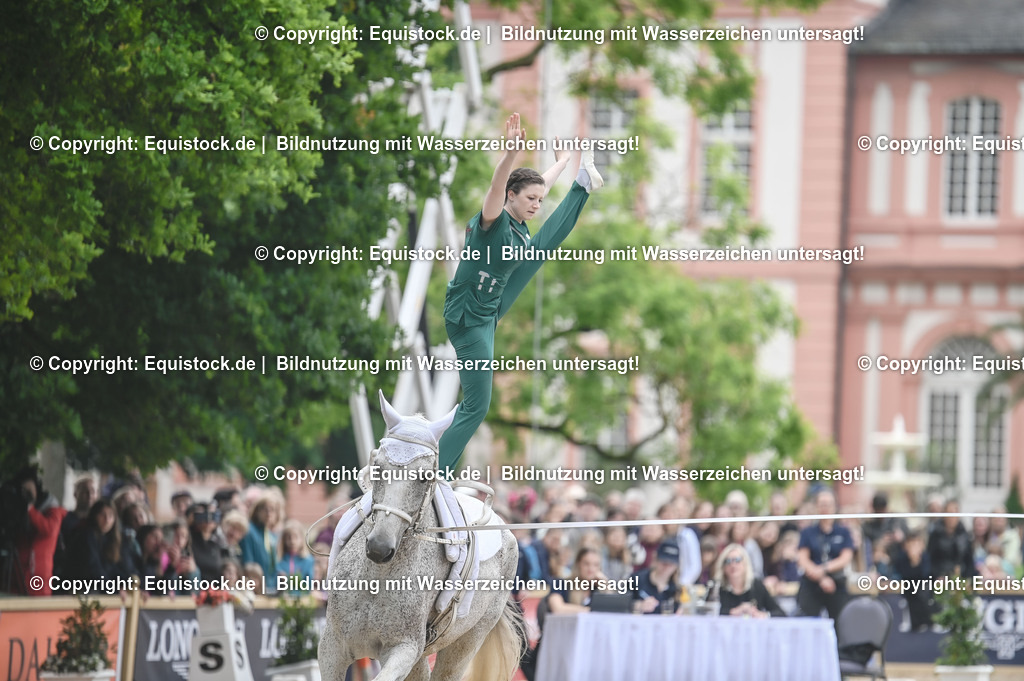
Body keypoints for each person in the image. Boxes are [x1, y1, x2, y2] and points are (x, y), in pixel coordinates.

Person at [438, 112, 603, 472]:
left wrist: (562, 163)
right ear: (510, 196)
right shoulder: (493, 221)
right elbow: (497, 188)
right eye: (530, 199)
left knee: (537, 251)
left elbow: (537, 185)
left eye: (539, 201)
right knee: (477, 406)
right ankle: (435, 471)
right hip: (467, 319)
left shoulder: (520, 222)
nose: (536, 205)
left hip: (492, 304)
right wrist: (510, 154)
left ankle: (582, 184)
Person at [796, 489, 853, 620]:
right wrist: (821, 578)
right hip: (812, 583)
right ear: (816, 507)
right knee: (807, 619)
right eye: (822, 504)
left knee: (841, 620)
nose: (825, 508)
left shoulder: (843, 532)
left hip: (836, 582)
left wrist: (824, 569)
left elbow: (845, 558)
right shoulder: (807, 532)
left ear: (835, 506)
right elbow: (803, 559)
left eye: (828, 504)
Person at [10, 466, 66, 596]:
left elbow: (48, 529)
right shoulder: (17, 511)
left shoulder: (52, 510)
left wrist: (29, 507)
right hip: (15, 578)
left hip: (38, 581)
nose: (24, 495)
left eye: (28, 490)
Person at [715, 543, 785, 618]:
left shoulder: (756, 585)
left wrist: (764, 615)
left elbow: (780, 612)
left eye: (737, 560)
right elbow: (708, 612)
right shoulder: (716, 587)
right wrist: (733, 612)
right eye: (728, 561)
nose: (733, 565)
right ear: (723, 566)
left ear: (745, 563)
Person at [239, 496, 279, 594]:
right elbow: (248, 564)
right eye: (265, 509)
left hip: (269, 588)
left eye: (272, 510)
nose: (269, 513)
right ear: (257, 511)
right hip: (254, 588)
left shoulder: (271, 535)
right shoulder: (249, 531)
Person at [630, 541, 681, 614]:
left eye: (671, 564)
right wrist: (639, 606)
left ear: (676, 566)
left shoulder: (676, 589)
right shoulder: (637, 579)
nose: (666, 568)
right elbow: (621, 604)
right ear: (656, 559)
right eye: (664, 563)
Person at [927, 499, 973, 578]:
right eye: (949, 513)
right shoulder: (936, 534)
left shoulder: (964, 534)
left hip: (960, 577)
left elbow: (969, 560)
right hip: (940, 577)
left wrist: (967, 578)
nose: (952, 517)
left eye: (955, 513)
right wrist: (937, 576)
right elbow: (930, 558)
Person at [276, 520, 314, 595]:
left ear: (302, 539)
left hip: (302, 599)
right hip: (282, 598)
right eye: (289, 538)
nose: (292, 541)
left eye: (296, 537)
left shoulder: (308, 561)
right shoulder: (279, 560)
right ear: (284, 540)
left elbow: (309, 586)